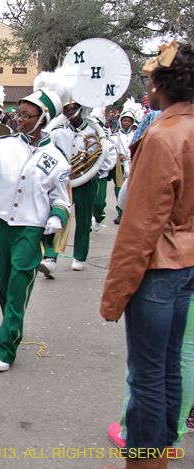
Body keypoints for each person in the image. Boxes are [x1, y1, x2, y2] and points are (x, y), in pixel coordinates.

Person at [100, 41, 194, 469]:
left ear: (161, 84)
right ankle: (162, 452)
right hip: (186, 262)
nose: (146, 87)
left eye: (149, 78)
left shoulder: (160, 136)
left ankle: (144, 462)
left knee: (146, 377)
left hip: (159, 268)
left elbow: (139, 227)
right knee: (169, 367)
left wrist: (114, 294)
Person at [0, 70, 71, 372]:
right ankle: (14, 322)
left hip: (31, 227)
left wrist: (57, 217)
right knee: (5, 284)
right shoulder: (4, 144)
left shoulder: (58, 159)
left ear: (42, 118)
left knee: (20, 283)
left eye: (26, 115)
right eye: (18, 114)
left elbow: (62, 199)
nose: (19, 119)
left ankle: (6, 346)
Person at [40, 93, 115, 276]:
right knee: (56, 217)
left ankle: (79, 256)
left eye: (73, 108)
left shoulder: (94, 133)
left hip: (86, 181)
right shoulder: (56, 132)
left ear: (81, 109)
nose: (70, 112)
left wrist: (91, 170)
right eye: (67, 109)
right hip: (62, 183)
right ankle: (50, 257)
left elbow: (107, 158)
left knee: (83, 220)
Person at [110, 101, 141, 225]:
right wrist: (119, 156)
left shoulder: (136, 135)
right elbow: (111, 150)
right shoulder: (114, 136)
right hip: (120, 166)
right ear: (120, 121)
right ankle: (120, 212)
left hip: (132, 164)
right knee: (119, 188)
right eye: (124, 120)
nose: (127, 123)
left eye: (129, 121)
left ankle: (130, 211)